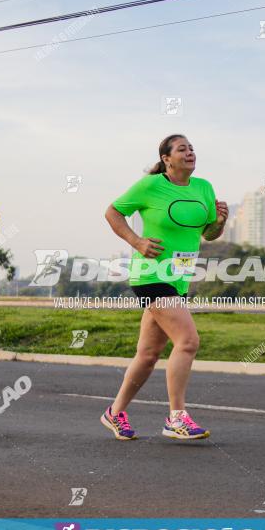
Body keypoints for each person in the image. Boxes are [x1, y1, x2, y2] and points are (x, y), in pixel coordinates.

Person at [103, 134, 228, 440]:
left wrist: (222, 220)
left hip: (178, 278)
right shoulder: (151, 186)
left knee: (148, 354)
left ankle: (115, 412)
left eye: (192, 149)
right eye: (182, 149)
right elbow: (113, 212)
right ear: (166, 159)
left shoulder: (204, 188)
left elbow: (209, 234)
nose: (190, 153)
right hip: (151, 276)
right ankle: (176, 417)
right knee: (188, 341)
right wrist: (137, 242)